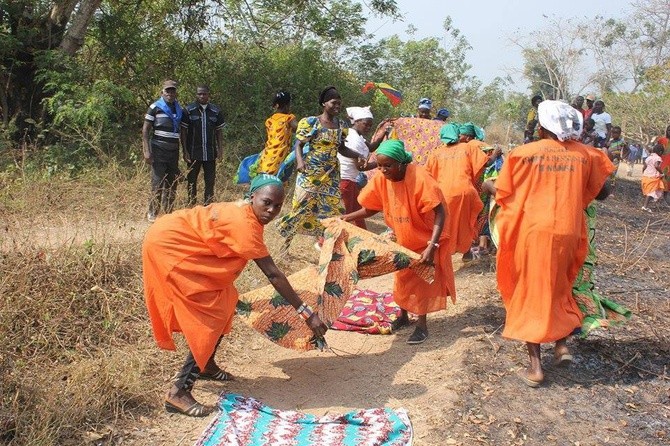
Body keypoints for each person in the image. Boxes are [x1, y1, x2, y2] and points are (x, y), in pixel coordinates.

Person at [143, 174, 328, 417]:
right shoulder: (245, 225)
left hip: (175, 238)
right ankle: (178, 392)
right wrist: (307, 314)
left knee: (227, 299)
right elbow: (273, 275)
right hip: (171, 247)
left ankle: (205, 364)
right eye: (266, 202)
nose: (271, 210)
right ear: (252, 197)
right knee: (211, 314)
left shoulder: (247, 214)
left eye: (278, 206)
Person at [486, 100, 613, 387]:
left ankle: (535, 366)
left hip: (533, 233)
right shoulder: (586, 154)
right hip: (568, 231)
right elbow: (603, 192)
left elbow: (504, 191)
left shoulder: (524, 154)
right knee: (561, 285)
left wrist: (488, 186)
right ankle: (562, 345)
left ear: (542, 127)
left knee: (531, 292)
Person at [342, 140, 456, 345]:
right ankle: (403, 316)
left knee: (422, 282)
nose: (383, 170)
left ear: (401, 164)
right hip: (402, 237)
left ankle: (422, 325)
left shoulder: (420, 177)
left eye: (388, 166)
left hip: (425, 238)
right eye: (380, 166)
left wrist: (432, 246)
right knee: (402, 278)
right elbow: (370, 207)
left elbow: (440, 212)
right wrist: (346, 218)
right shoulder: (382, 179)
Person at [277, 86, 365, 251]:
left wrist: (357, 154)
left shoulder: (341, 125)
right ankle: (285, 246)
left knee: (333, 210)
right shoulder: (312, 122)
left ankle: (332, 250)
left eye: (339, 103)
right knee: (301, 207)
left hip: (331, 174)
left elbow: (341, 148)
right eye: (334, 103)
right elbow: (299, 144)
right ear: (324, 103)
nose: (337, 106)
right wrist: (300, 162)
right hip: (311, 172)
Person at [425, 122, 488, 258]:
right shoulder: (468, 147)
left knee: (445, 224)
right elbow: (484, 163)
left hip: (444, 194)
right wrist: (495, 155)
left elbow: (427, 176)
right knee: (466, 223)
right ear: (457, 134)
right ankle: (466, 253)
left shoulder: (436, 153)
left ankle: (444, 253)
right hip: (465, 191)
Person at [143, 80, 184, 222]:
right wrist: (146, 151)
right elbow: (145, 130)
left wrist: (185, 152)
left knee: (172, 184)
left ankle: (168, 215)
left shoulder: (179, 110)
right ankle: (152, 213)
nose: (170, 94)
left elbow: (183, 132)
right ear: (162, 92)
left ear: (175, 93)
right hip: (158, 150)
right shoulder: (155, 107)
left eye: (172, 91)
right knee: (157, 183)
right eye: (167, 91)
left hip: (173, 151)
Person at [338, 106, 383, 229]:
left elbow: (371, 147)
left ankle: (363, 238)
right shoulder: (353, 139)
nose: (368, 128)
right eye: (366, 124)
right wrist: (381, 164)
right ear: (356, 122)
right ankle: (324, 242)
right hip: (345, 179)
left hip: (350, 180)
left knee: (356, 212)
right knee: (347, 214)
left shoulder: (358, 136)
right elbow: (361, 166)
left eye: (370, 125)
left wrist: (383, 134)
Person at [181, 85, 225, 207]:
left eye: (204, 94)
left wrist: (220, 150)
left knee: (210, 181)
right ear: (196, 95)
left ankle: (208, 206)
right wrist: (185, 151)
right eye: (199, 94)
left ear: (208, 95)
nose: (202, 96)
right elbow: (183, 132)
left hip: (210, 153)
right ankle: (191, 205)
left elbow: (219, 132)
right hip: (194, 153)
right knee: (191, 181)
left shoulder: (216, 111)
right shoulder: (189, 110)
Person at [256, 91, 298, 176]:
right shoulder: (289, 118)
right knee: (278, 181)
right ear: (287, 105)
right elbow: (299, 129)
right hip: (279, 157)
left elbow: (267, 140)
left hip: (267, 156)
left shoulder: (269, 121)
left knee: (264, 180)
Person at [641, 144, 666, 212]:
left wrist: (643, 173)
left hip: (646, 176)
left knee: (651, 191)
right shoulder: (657, 158)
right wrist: (662, 173)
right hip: (653, 177)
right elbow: (656, 166)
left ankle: (649, 203)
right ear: (660, 152)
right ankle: (645, 206)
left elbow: (644, 167)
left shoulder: (649, 157)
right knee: (651, 192)